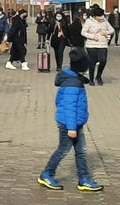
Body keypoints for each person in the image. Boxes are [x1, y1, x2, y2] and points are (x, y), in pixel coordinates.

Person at [37, 49, 103, 192]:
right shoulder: (72, 83)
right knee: (63, 149)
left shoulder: (74, 79)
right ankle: (47, 174)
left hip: (74, 123)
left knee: (81, 151)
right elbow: (70, 107)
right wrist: (72, 128)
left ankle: (84, 178)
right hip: (69, 124)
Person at [81, 5, 114, 85]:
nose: (101, 17)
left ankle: (98, 76)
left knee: (103, 61)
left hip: (103, 44)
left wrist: (106, 32)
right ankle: (91, 79)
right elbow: (83, 32)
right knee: (92, 62)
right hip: (91, 45)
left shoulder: (105, 21)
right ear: (94, 16)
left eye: (102, 15)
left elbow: (112, 30)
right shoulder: (89, 21)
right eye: (99, 16)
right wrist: (93, 36)